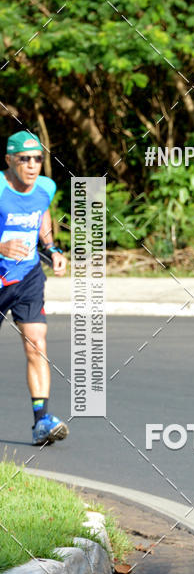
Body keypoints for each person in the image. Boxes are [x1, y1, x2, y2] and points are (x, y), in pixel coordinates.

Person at [0, 130, 69, 445]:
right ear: (9, 160)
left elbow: (42, 215)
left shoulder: (45, 187)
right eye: (24, 159)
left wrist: (51, 249)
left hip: (28, 276)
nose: (31, 165)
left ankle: (42, 420)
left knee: (36, 343)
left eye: (37, 159)